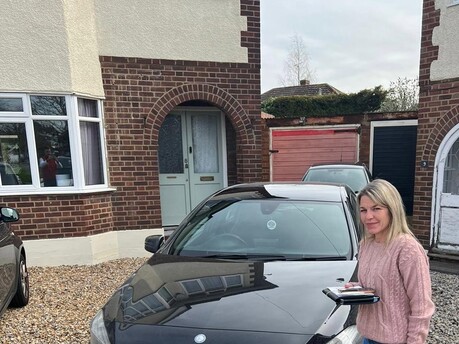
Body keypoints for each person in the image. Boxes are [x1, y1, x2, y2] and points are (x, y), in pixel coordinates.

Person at [345, 179, 435, 344]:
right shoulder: (366, 244)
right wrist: (358, 288)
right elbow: (383, 286)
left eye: (376, 208)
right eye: (363, 210)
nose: (368, 216)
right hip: (367, 337)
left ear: (392, 210)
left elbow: (422, 307)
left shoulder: (407, 249)